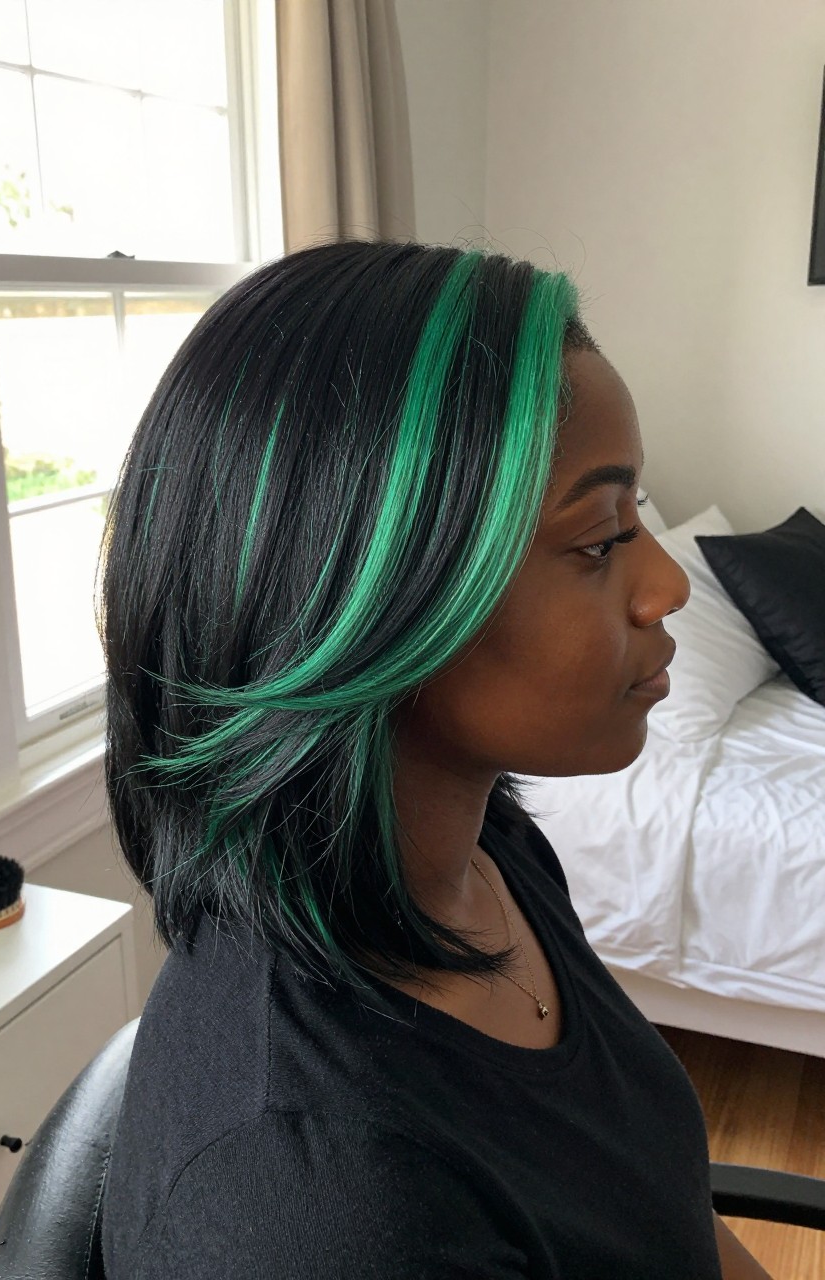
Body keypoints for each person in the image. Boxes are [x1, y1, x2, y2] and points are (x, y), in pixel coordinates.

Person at [98, 241, 771, 1278]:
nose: (666, 587)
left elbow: (659, 1200)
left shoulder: (484, 851)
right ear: (371, 604)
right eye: (600, 537)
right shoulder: (322, 1215)